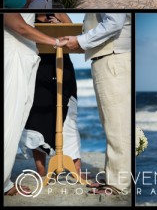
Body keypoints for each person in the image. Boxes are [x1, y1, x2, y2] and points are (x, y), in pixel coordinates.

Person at [62, 14, 132, 195]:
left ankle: (118, 185)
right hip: (110, 57)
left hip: (113, 57)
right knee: (113, 125)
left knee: (117, 126)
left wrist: (80, 40)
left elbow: (114, 23)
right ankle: (114, 177)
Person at [4, 13, 67, 196]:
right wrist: (55, 41)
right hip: (15, 58)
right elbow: (20, 26)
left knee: (15, 119)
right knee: (10, 120)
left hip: (24, 56)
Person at [21, 13, 81, 178]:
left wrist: (60, 24)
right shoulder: (26, 15)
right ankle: (41, 171)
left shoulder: (58, 12)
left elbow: (76, 36)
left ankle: (76, 170)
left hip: (62, 66)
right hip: (38, 67)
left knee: (69, 117)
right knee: (36, 117)